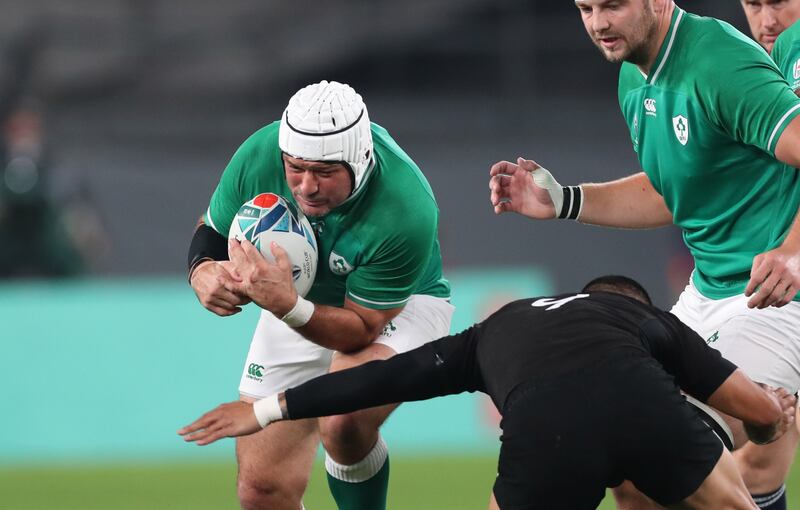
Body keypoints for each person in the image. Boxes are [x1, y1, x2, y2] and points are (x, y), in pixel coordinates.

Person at [488, 1, 800, 509]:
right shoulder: (634, 77)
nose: (598, 23)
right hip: (708, 294)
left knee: (660, 459)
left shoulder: (718, 62)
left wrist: (793, 250)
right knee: (630, 477)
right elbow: (669, 191)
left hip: (775, 302)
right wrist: (566, 200)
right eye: (586, 8)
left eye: (613, 4)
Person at [179, 275, 797, 510]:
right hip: (646, 408)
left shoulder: (493, 329)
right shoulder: (649, 323)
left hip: (547, 430)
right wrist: (773, 422)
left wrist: (266, 408)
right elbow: (752, 405)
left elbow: (379, 377)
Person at [187, 80, 452, 510]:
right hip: (296, 298)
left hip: (397, 307)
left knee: (343, 421)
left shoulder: (405, 206)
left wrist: (288, 307)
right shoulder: (260, 151)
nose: (306, 186)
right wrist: (201, 270)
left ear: (360, 161)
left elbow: (360, 331)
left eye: (325, 172)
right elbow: (214, 229)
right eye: (296, 168)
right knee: (261, 490)